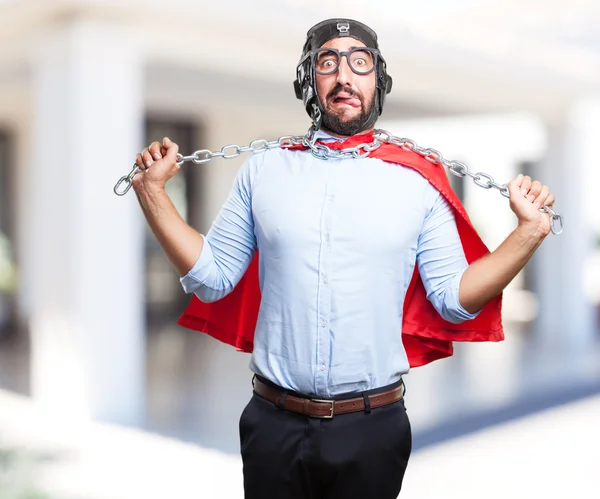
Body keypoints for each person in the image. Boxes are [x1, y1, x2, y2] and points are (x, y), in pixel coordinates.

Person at [131, 18, 555, 499]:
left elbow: (454, 300)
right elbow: (211, 278)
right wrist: (153, 194)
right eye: (327, 62)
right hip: (273, 426)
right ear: (308, 80)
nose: (344, 76)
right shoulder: (264, 170)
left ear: (380, 81)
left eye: (360, 62)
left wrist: (529, 232)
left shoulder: (417, 181)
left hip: (372, 430)